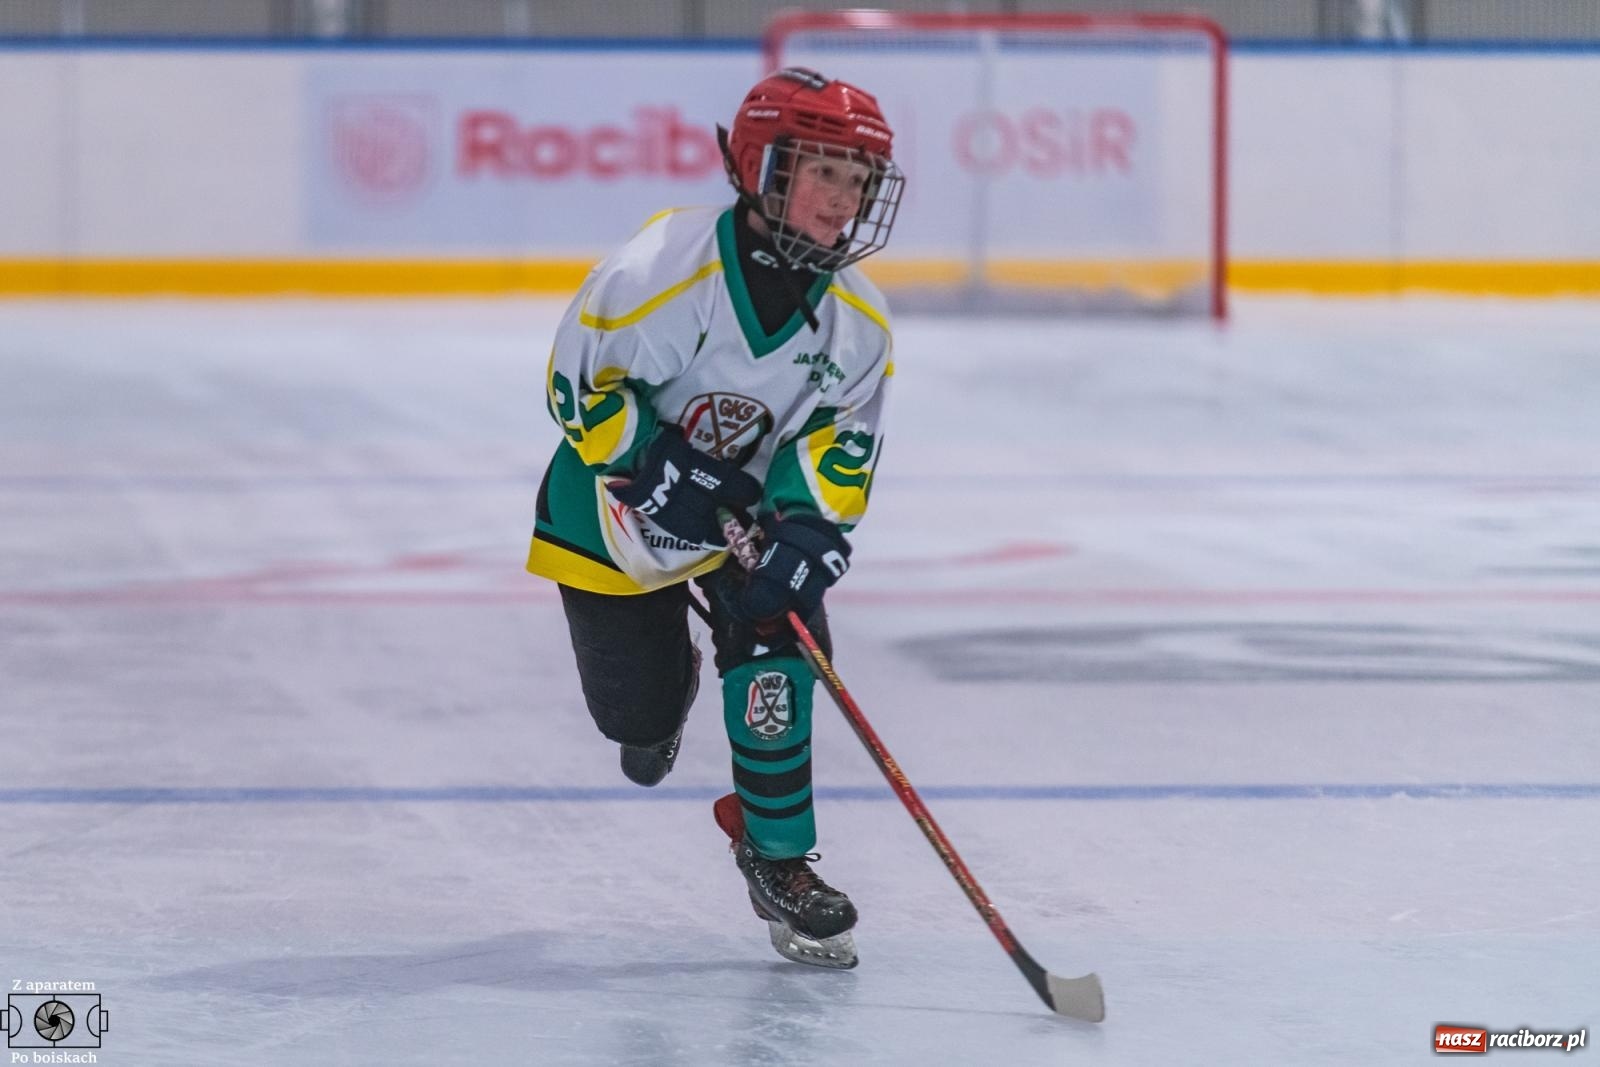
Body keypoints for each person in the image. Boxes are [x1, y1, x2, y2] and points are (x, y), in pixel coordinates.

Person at [525, 67, 904, 967]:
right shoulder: (659, 270)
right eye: (824, 172)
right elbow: (576, 388)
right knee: (635, 717)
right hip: (614, 512)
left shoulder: (858, 321)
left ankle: (777, 855)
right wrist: (656, 463)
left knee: (781, 642)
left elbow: (838, 444)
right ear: (763, 167)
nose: (842, 200)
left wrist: (808, 531)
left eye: (858, 179)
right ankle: (666, 696)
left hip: (745, 516)